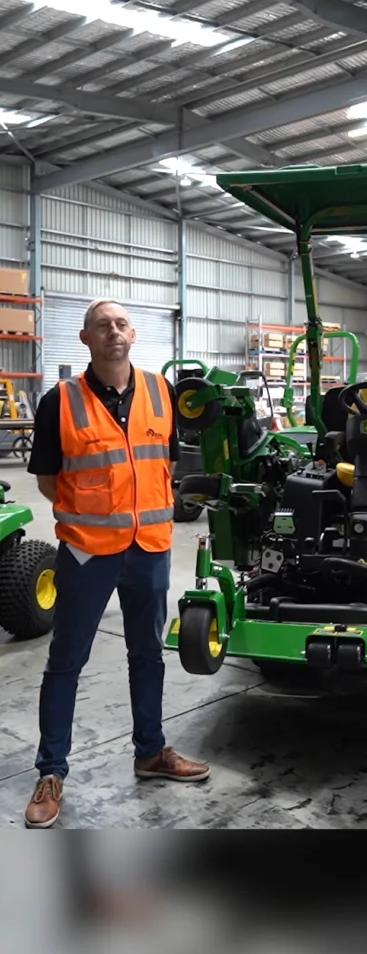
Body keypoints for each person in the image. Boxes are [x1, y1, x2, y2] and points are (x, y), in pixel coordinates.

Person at [24, 299, 210, 829]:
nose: (114, 332)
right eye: (102, 325)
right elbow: (45, 478)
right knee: (66, 661)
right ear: (85, 338)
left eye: (121, 324)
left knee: (147, 654)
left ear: (134, 334)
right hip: (87, 553)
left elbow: (166, 461)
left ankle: (150, 752)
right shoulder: (60, 400)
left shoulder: (159, 390)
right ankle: (51, 770)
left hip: (149, 547)